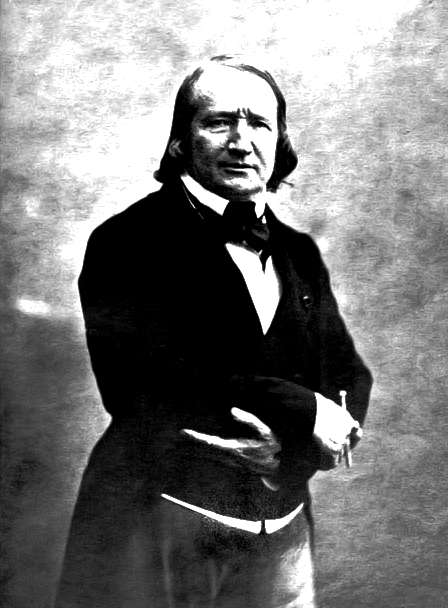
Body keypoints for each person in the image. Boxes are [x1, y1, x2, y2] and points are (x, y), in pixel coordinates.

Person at [55, 55, 372, 608]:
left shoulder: (299, 252)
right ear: (181, 140)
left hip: (283, 532)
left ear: (280, 141)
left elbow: (347, 376)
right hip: (156, 520)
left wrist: (288, 455)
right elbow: (146, 384)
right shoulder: (127, 242)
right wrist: (305, 412)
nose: (241, 142)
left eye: (259, 124)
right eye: (219, 122)